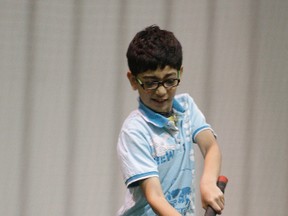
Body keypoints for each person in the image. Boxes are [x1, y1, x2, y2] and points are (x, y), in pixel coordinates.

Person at [116, 25, 225, 216]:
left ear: (180, 73)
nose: (161, 91)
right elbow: (155, 197)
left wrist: (208, 183)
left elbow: (211, 147)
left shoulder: (187, 107)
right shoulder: (134, 130)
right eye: (150, 82)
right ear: (133, 80)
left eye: (169, 80)